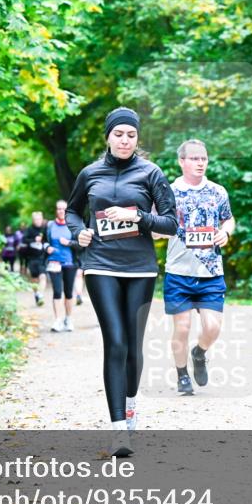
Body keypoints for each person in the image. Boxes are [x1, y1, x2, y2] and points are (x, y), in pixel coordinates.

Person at [66, 107, 178, 456]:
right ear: (108, 137)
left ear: (137, 139)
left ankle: (131, 406)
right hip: (100, 264)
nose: (125, 140)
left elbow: (172, 224)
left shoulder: (151, 173)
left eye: (131, 135)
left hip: (140, 268)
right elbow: (72, 210)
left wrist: (138, 216)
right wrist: (78, 231)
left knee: (132, 345)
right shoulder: (90, 173)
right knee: (114, 342)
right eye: (119, 134)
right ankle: (119, 430)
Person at [156, 139, 234, 396]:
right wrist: (157, 232)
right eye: (194, 158)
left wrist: (226, 232)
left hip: (211, 272)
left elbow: (228, 219)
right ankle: (182, 376)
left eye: (204, 158)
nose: (201, 163)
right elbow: (158, 226)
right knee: (182, 327)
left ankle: (199, 353)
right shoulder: (169, 191)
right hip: (179, 271)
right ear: (182, 161)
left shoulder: (217, 191)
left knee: (212, 327)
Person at [46, 200, 79, 332]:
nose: (61, 211)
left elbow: (80, 244)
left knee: (69, 293)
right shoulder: (49, 226)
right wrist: (47, 247)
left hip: (70, 263)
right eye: (59, 209)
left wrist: (69, 242)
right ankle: (58, 320)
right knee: (57, 292)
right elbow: (43, 241)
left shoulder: (73, 226)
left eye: (63, 209)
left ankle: (68, 319)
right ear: (56, 210)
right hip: (54, 262)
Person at [23, 211, 50, 305]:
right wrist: (34, 239)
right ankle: (36, 294)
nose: (38, 221)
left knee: (43, 276)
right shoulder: (29, 229)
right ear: (33, 220)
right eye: (36, 219)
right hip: (32, 258)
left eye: (39, 219)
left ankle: (40, 294)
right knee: (34, 279)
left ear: (42, 219)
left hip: (42, 258)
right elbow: (24, 240)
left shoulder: (45, 229)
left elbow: (49, 239)